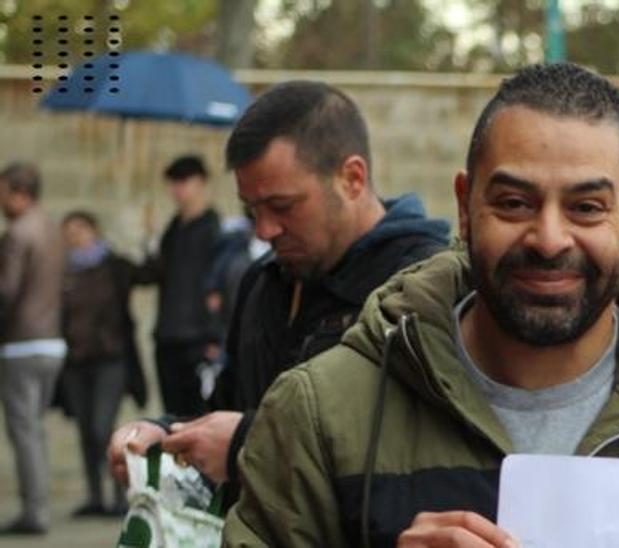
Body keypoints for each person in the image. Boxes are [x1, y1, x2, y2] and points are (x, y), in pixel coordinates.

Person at [222, 63, 619, 547]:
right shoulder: (320, 415)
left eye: (585, 207)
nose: (550, 238)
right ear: (465, 206)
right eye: (513, 203)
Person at [106, 81, 453, 509]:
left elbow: (425, 455)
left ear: (352, 178)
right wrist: (166, 434)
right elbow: (226, 409)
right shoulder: (262, 282)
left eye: (283, 206)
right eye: (252, 210)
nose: (264, 230)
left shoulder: (427, 285)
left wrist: (245, 446)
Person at [59, 211, 147, 517]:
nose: (74, 236)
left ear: (94, 230)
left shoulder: (114, 266)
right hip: (76, 362)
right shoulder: (63, 272)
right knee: (85, 430)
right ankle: (95, 496)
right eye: (68, 231)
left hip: (111, 360)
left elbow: (149, 272)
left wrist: (148, 238)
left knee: (101, 426)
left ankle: (121, 495)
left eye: (80, 229)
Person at [0, 162, 65, 535]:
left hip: (21, 344)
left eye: (5, 192)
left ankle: (35, 512)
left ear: (20, 194)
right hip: (51, 342)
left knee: (24, 432)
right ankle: (38, 507)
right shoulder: (53, 230)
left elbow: (5, 291)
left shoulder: (17, 234)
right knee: (34, 430)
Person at [133, 155, 222, 417]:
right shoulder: (173, 229)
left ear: (201, 182)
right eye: (173, 183)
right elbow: (152, 274)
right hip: (168, 336)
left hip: (199, 338)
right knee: (172, 417)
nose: (178, 190)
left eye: (184, 182)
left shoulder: (213, 229)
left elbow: (219, 289)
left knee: (199, 415)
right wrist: (150, 239)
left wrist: (215, 335)